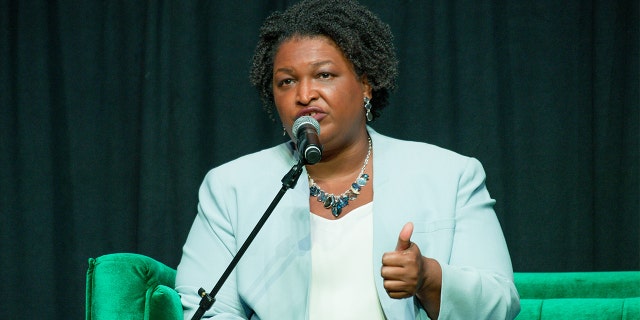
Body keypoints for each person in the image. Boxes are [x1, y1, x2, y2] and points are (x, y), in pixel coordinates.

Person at [175, 0, 520, 319]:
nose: (304, 94)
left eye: (324, 75)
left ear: (366, 85)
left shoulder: (450, 175)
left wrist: (429, 278)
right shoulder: (230, 187)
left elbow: (501, 302)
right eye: (286, 81)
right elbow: (205, 308)